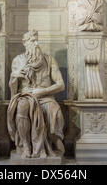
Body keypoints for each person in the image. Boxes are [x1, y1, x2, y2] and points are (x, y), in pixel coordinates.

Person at [7, 30, 65, 159]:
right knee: (22, 106)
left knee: (54, 109)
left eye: (37, 40)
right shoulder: (18, 60)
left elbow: (61, 85)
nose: (36, 43)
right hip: (25, 96)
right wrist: (14, 77)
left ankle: (53, 140)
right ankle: (26, 146)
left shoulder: (49, 60)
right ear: (25, 43)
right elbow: (13, 90)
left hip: (46, 97)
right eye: (33, 40)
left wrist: (43, 91)